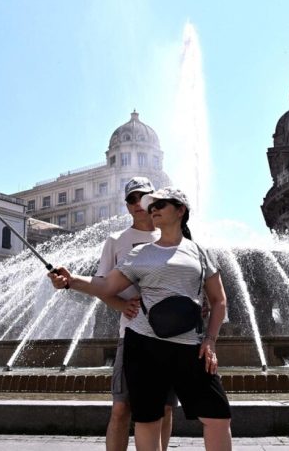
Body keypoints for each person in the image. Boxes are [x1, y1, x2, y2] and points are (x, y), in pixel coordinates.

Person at [49, 187, 232, 451]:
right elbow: (106, 285)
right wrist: (71, 280)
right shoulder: (140, 253)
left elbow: (218, 300)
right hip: (144, 344)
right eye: (151, 206)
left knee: (218, 416)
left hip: (190, 345)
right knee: (147, 419)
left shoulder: (199, 252)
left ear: (180, 210)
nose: (153, 209)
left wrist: (211, 340)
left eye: (161, 204)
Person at [96, 177, 178, 451]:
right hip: (131, 334)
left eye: (142, 197)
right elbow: (101, 285)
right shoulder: (116, 241)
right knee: (121, 408)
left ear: (153, 200)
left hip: (169, 336)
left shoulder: (171, 235)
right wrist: (120, 305)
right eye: (131, 199)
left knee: (165, 408)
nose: (137, 203)